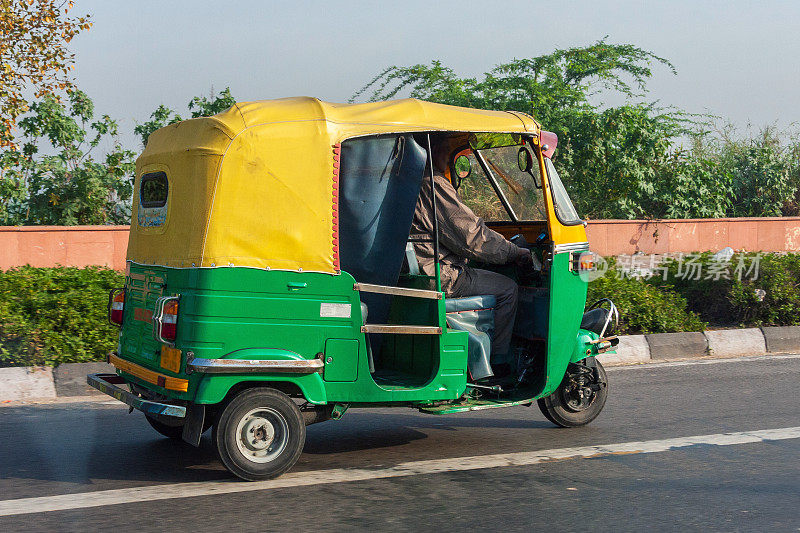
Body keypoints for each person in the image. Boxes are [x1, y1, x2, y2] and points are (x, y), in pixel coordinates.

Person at [409, 138, 534, 375]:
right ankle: (498, 363)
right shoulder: (431, 184)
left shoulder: (407, 180)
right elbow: (472, 237)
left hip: (417, 271)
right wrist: (514, 252)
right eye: (445, 149)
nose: (447, 156)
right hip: (439, 275)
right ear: (431, 148)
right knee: (508, 289)